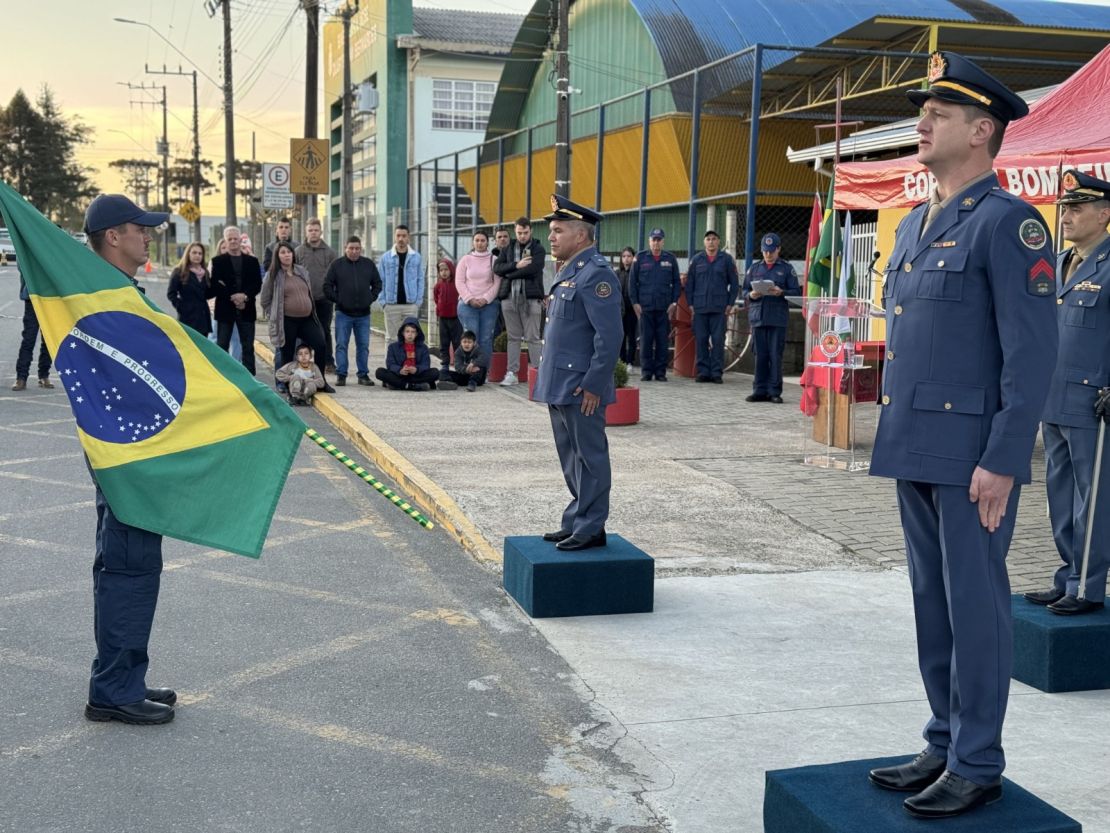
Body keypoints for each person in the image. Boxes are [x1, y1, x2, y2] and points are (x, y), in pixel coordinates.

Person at [865, 52, 1058, 819]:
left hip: (973, 455)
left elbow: (1032, 354)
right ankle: (943, 737)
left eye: (938, 113)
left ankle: (978, 759)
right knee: (931, 601)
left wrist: (1004, 460)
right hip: (913, 441)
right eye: (925, 111)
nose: (922, 121)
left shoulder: (1011, 225)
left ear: (982, 130)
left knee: (976, 604)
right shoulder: (918, 221)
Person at [81, 194, 176, 725]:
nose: (148, 235)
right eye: (141, 228)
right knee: (128, 567)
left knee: (130, 564)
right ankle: (114, 688)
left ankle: (122, 676)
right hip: (125, 454)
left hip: (130, 448)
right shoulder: (103, 297)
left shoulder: (116, 292)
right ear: (114, 236)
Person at [1025, 170, 1110, 616]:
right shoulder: (1057, 262)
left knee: (1093, 498)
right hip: (1052, 396)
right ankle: (1067, 576)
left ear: (1105, 214)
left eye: (1077, 209)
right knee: (1059, 494)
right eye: (1065, 209)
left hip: (1095, 400)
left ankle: (1087, 587)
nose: (1067, 216)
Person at [533, 195, 623, 551]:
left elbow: (611, 336)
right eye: (551, 231)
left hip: (581, 386)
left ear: (581, 236)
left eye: (558, 230)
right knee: (571, 456)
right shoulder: (570, 270)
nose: (551, 237)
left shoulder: (595, 274)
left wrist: (594, 385)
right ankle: (579, 520)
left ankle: (591, 524)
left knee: (590, 455)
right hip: (560, 383)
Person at [260, 241, 331, 393]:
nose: (286, 255)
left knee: (320, 344)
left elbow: (307, 292)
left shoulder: (301, 271)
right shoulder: (273, 275)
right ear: (277, 256)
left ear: (293, 254)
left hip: (307, 319)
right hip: (287, 320)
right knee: (287, 353)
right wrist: (273, 315)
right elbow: (265, 299)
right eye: (283, 252)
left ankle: (321, 381)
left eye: (289, 252)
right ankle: (286, 384)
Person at [742, 233, 800, 402]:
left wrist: (782, 292)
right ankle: (759, 390)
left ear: (778, 249)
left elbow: (796, 292)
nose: (768, 254)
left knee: (775, 355)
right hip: (758, 317)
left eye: (772, 251)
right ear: (761, 250)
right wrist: (751, 294)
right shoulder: (754, 269)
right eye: (766, 251)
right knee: (760, 355)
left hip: (777, 318)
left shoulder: (787, 268)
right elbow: (744, 290)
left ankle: (774, 391)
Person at [494, 216, 546, 386]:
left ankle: (538, 374)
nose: (522, 236)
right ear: (515, 232)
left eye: (525, 232)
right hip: (509, 299)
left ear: (531, 230)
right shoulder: (508, 249)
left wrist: (510, 274)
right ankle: (512, 373)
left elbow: (534, 269)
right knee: (513, 338)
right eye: (519, 233)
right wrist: (517, 265)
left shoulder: (538, 248)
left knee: (533, 337)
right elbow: (497, 268)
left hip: (531, 299)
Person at [324, 236, 382, 387]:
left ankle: (363, 374)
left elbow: (377, 283)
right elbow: (327, 285)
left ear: (360, 249)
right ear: (345, 248)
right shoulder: (336, 265)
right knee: (341, 344)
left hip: (364, 315)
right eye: (351, 248)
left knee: (363, 346)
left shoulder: (368, 265)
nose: (354, 251)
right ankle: (341, 374)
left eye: (357, 248)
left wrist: (370, 298)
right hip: (343, 314)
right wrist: (339, 300)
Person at [686, 230, 740, 384]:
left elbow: (734, 284)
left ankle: (716, 372)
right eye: (708, 239)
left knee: (718, 340)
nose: (711, 242)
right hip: (700, 308)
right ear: (704, 242)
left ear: (718, 242)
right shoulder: (697, 260)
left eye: (714, 239)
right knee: (701, 340)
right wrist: (690, 304)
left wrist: (729, 304)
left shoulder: (727, 260)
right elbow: (690, 285)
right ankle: (703, 372)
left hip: (719, 308)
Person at [628, 228, 680, 382]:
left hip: (664, 308)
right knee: (646, 340)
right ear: (649, 241)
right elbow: (632, 283)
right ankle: (646, 371)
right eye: (654, 240)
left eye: (659, 240)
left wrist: (674, 302)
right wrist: (635, 302)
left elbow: (676, 282)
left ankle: (660, 372)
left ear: (663, 241)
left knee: (662, 341)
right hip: (645, 307)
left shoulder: (670, 259)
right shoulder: (640, 258)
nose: (656, 243)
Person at [210, 226, 262, 375]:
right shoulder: (218, 261)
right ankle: (222, 376)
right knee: (222, 345)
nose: (233, 241)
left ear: (240, 240)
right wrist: (233, 297)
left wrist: (244, 296)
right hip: (225, 310)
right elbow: (215, 284)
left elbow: (257, 284)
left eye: (235, 239)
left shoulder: (252, 261)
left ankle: (250, 379)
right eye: (229, 239)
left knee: (247, 347)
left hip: (247, 309)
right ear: (225, 241)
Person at [295, 217, 338, 373]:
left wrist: (332, 295)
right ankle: (302, 361)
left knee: (324, 330)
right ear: (306, 232)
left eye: (316, 230)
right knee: (303, 332)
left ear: (321, 232)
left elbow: (335, 276)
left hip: (324, 300)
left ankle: (328, 362)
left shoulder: (330, 253)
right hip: (303, 300)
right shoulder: (298, 251)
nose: (313, 233)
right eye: (310, 230)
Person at [455, 231, 502, 361]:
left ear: (488, 242)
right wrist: (470, 299)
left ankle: (483, 370)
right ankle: (469, 367)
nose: (479, 243)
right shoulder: (465, 259)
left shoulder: (494, 260)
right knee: (471, 338)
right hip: (467, 305)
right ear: (473, 242)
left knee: (486, 338)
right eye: (477, 240)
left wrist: (485, 299)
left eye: (482, 240)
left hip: (489, 305)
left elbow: (497, 283)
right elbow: (459, 281)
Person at [11, 269, 54, 391]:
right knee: (28, 339)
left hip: (51, 298)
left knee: (48, 340)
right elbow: (22, 264)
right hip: (33, 297)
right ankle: (21, 377)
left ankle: (44, 375)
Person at [378, 225, 424, 338]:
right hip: (391, 305)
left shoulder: (416, 257)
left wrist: (417, 302)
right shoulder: (385, 258)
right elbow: (380, 280)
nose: (401, 239)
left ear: (408, 238)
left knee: (410, 339)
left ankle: (407, 357)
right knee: (392, 339)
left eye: (404, 236)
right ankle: (390, 357)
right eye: (398, 235)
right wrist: (383, 302)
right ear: (394, 237)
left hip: (410, 305)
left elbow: (420, 280)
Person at [375, 317, 442, 391]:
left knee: (435, 372)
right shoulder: (392, 347)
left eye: (413, 332)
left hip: (416, 375)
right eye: (407, 331)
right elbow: (390, 364)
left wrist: (416, 369)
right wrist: (400, 370)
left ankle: (397, 384)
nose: (410, 334)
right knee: (379, 372)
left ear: (417, 334)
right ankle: (411, 385)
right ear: (403, 333)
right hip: (400, 374)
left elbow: (426, 365)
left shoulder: (423, 347)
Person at [166, 242, 212, 338]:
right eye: (194, 253)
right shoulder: (179, 271)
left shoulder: (205, 273)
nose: (197, 256)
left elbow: (207, 293)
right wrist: (182, 307)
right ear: (188, 254)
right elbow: (171, 293)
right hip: (187, 317)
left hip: (203, 318)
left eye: (200, 253)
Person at [209, 238, 242, 361]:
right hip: (217, 308)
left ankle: (234, 367)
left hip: (236, 308)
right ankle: (215, 364)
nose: (225, 250)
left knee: (236, 340)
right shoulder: (214, 264)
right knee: (215, 338)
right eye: (223, 248)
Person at [433, 257, 462, 379]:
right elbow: (436, 299)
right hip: (443, 318)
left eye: (446, 269)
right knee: (444, 343)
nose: (444, 272)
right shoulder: (438, 285)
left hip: (456, 318)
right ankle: (445, 364)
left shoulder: (457, 284)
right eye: (441, 270)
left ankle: (458, 364)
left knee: (457, 342)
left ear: (451, 269)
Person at [615, 247, 638, 365]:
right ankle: (621, 360)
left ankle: (630, 362)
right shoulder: (617, 273)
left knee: (631, 336)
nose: (626, 259)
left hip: (632, 309)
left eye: (629, 256)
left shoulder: (636, 273)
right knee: (620, 336)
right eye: (624, 256)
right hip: (619, 310)